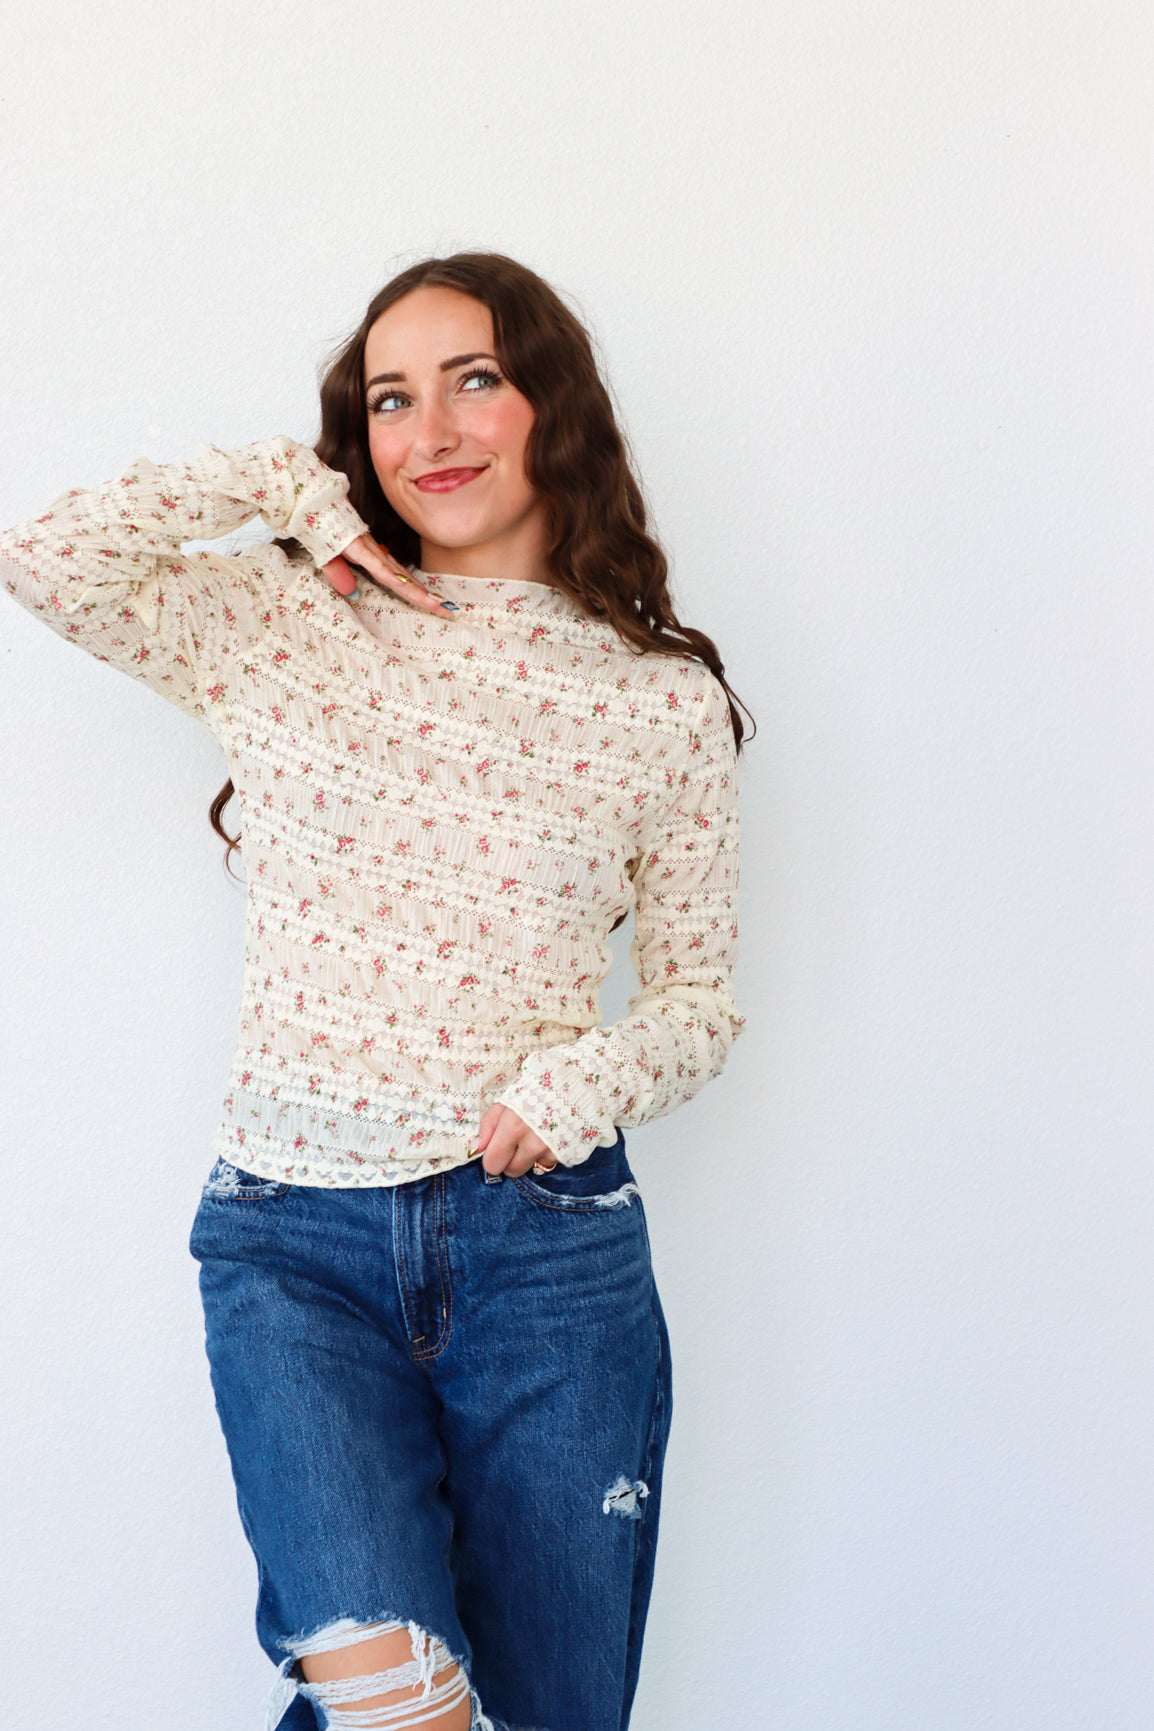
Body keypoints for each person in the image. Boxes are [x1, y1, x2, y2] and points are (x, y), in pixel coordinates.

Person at [0, 252, 749, 1731]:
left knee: (539, 1713)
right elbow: (48, 558)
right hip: (292, 1247)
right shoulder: (279, 622)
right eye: (388, 398)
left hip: (544, 1255)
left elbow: (699, 998)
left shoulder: (658, 700)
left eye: (476, 376)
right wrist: (283, 480)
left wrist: (570, 1087)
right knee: (395, 1706)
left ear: (555, 405)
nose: (433, 428)